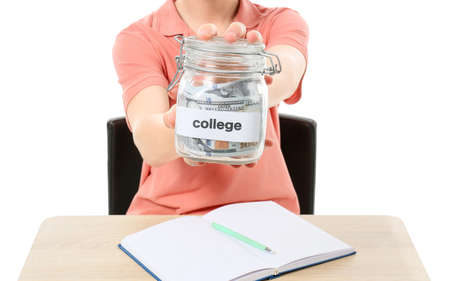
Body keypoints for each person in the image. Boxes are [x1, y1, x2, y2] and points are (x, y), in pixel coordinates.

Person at [112, 0, 309, 215]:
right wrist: (224, 105)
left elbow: (286, 74)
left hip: (266, 211)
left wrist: (238, 71)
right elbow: (151, 142)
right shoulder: (138, 38)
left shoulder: (281, 20)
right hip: (168, 215)